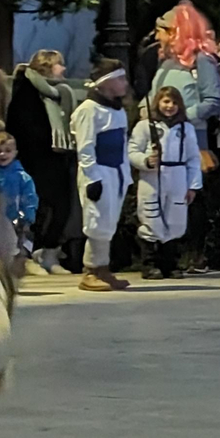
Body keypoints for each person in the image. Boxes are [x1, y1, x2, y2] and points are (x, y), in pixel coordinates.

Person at [149, 2, 220, 273]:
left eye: (162, 30)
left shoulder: (202, 61)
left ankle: (195, 255)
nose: (157, 36)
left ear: (175, 32)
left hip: (192, 139)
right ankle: (168, 256)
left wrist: (183, 116)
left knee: (192, 198)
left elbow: (215, 99)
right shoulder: (167, 62)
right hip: (163, 140)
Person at [5, 49, 81, 274]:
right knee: (40, 208)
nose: (64, 69)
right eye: (60, 65)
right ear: (47, 67)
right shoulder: (27, 91)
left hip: (58, 158)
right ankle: (33, 252)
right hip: (36, 160)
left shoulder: (61, 93)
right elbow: (23, 127)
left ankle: (49, 252)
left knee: (62, 207)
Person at [129, 84, 204, 279]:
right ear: (157, 103)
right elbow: (132, 151)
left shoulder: (186, 128)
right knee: (151, 218)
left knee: (175, 221)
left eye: (174, 102)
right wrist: (146, 161)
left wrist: (193, 185)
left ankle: (170, 263)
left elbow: (193, 158)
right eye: (165, 101)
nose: (170, 106)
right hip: (152, 178)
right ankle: (150, 264)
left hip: (177, 176)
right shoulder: (145, 126)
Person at [72, 58, 133, 291]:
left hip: (116, 172)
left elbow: (123, 143)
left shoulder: (117, 110)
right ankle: (90, 270)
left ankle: (103, 268)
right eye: (120, 78)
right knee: (96, 221)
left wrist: (125, 175)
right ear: (105, 83)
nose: (124, 83)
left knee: (108, 222)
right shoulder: (89, 110)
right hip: (99, 172)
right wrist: (92, 178)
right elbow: (85, 147)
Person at [0, 130, 38, 273]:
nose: (3, 154)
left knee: (13, 250)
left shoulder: (22, 176)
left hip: (13, 221)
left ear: (15, 152)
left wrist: (28, 216)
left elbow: (29, 197)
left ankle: (8, 276)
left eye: (7, 151)